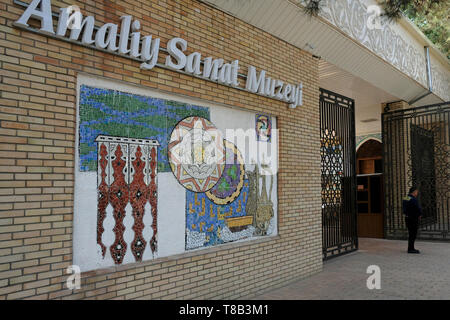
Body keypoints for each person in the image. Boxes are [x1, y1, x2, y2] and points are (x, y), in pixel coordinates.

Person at [402, 186, 422, 254]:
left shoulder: (406, 197)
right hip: (413, 218)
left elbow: (404, 208)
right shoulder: (413, 199)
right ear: (414, 192)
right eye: (417, 192)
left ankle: (411, 248)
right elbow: (417, 208)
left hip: (407, 218)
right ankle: (411, 249)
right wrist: (419, 214)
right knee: (413, 234)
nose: (417, 193)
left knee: (411, 233)